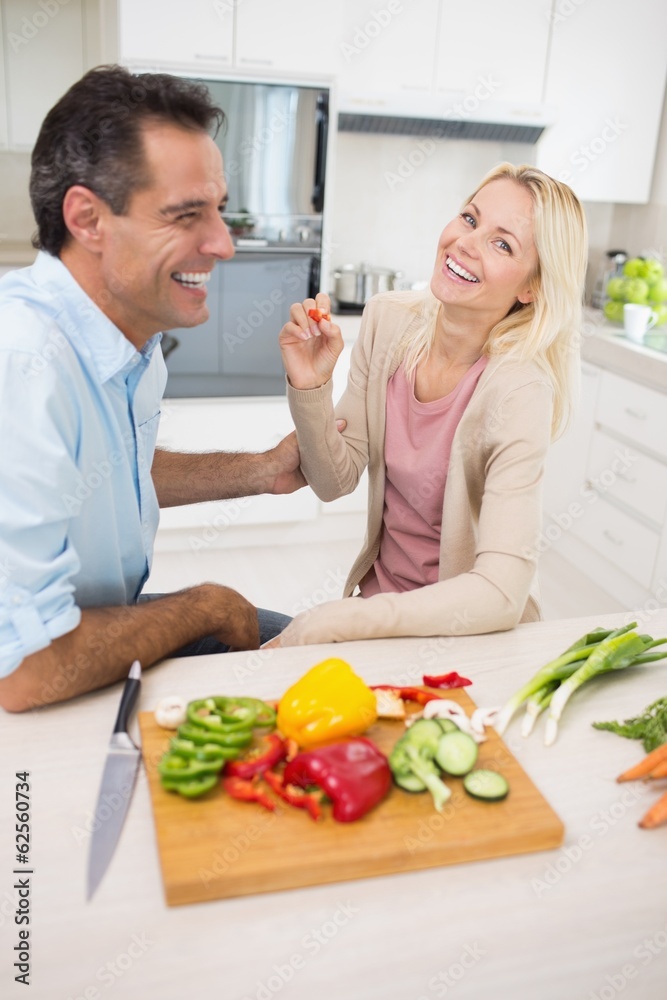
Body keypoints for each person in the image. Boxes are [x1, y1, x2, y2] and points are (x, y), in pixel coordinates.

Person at [0, 66, 302, 712]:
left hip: (91, 620)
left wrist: (262, 471)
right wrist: (204, 606)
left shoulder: (129, 333)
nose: (222, 244)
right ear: (87, 218)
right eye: (186, 215)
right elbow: (26, 673)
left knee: (306, 648)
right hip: (34, 669)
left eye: (218, 210)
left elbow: (106, 476)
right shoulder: (22, 361)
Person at [273, 162, 588, 646]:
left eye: (502, 243)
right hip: (382, 617)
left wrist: (345, 620)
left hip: (471, 635)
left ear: (530, 289)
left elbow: (502, 592)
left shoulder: (519, 391)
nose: (465, 243)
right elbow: (333, 480)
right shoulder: (387, 321)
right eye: (470, 218)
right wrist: (311, 388)